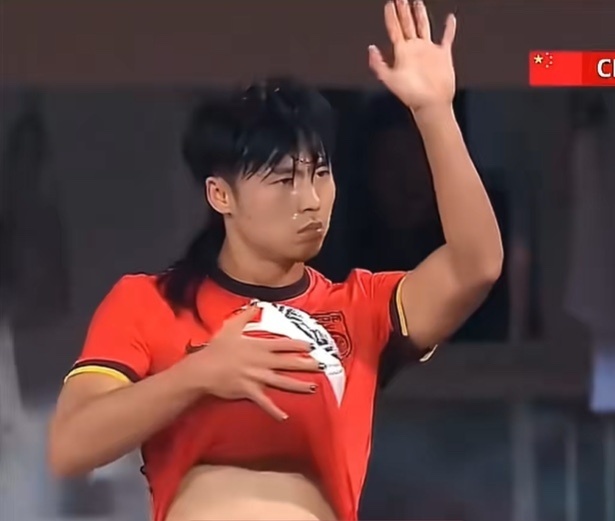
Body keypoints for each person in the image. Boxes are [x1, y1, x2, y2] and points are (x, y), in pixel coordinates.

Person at [48, 2, 503, 520]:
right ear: (221, 195)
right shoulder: (149, 303)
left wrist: (435, 112)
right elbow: (70, 447)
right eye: (284, 180)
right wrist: (198, 374)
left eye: (320, 174)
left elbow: (477, 265)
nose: (310, 200)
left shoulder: (361, 307)